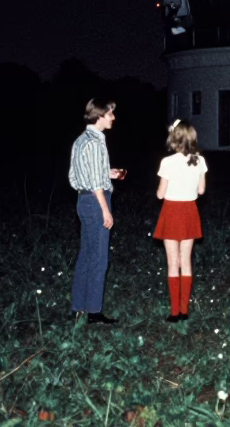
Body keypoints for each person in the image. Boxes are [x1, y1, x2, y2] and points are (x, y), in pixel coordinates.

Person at [68, 99, 124, 325]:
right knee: (99, 258)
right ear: (100, 115)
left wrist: (108, 173)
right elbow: (93, 183)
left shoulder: (82, 140)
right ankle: (94, 312)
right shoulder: (94, 143)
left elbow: (85, 173)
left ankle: (78, 308)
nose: (113, 117)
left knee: (86, 255)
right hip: (95, 201)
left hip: (84, 200)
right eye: (110, 113)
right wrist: (105, 210)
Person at [153, 119, 207, 322]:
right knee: (186, 261)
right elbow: (201, 191)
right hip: (189, 212)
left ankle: (174, 312)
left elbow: (160, 195)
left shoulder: (167, 162)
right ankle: (184, 310)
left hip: (172, 211)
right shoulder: (199, 161)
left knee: (172, 262)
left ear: (173, 138)